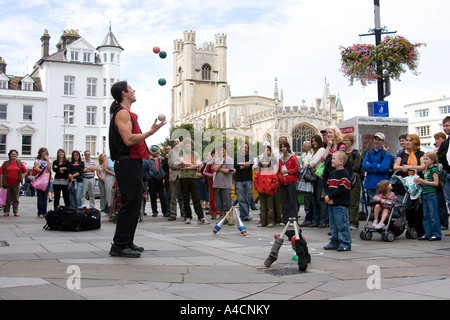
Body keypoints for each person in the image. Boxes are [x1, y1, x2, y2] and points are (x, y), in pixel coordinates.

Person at [108, 81, 166, 258]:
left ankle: (127, 242)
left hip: (133, 162)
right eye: (131, 88)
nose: (134, 90)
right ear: (124, 93)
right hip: (126, 163)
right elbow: (128, 140)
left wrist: (146, 148)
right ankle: (118, 245)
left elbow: (134, 140)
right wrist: (151, 132)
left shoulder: (127, 113)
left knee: (134, 204)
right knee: (129, 203)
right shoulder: (123, 113)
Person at [393, 134, 425, 237]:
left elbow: (422, 166)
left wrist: (410, 166)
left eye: (410, 140)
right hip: (404, 182)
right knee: (408, 205)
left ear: (415, 142)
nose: (407, 142)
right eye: (406, 140)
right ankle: (411, 227)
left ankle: (419, 229)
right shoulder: (402, 154)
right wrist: (402, 168)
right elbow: (395, 166)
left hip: (416, 182)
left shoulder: (420, 154)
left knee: (417, 206)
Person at [323, 151, 352, 252]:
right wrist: (327, 196)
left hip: (340, 203)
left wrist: (331, 196)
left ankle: (345, 242)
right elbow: (327, 185)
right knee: (333, 224)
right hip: (332, 203)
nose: (332, 160)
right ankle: (334, 241)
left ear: (341, 161)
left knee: (342, 224)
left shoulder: (344, 174)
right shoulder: (332, 173)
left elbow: (342, 188)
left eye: (334, 158)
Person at [179, 137, 209, 225]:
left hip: (193, 177)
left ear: (192, 145)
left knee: (196, 197)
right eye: (186, 143)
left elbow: (199, 164)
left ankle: (201, 217)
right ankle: (188, 216)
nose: (188, 145)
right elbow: (182, 162)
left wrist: (188, 167)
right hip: (183, 177)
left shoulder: (195, 153)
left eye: (189, 143)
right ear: (184, 145)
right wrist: (195, 165)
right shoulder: (181, 152)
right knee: (186, 198)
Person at [415, 151, 442, 241]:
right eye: (424, 159)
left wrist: (423, 181)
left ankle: (436, 233)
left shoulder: (434, 170)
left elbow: (436, 183)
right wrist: (420, 182)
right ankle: (428, 233)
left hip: (432, 194)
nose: (424, 161)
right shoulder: (426, 170)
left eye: (426, 159)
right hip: (425, 193)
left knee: (433, 215)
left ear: (433, 160)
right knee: (426, 215)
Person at [362, 132, 391, 202]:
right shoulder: (369, 153)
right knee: (372, 207)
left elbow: (383, 168)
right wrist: (377, 165)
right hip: (370, 184)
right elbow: (364, 166)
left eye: (379, 140)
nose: (376, 141)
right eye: (375, 139)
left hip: (381, 185)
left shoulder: (386, 154)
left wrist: (370, 166)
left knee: (381, 206)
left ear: (383, 141)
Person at [343, 134, 362, 230]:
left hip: (354, 179)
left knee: (354, 201)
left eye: (347, 140)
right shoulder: (342, 153)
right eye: (344, 140)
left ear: (351, 142)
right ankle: (346, 221)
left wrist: (346, 170)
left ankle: (354, 222)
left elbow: (357, 166)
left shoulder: (356, 153)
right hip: (344, 179)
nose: (346, 142)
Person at [277, 141, 299, 224]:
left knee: (292, 201)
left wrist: (288, 171)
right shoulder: (280, 159)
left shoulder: (293, 158)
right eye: (281, 147)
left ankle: (294, 219)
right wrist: (280, 177)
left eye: (284, 147)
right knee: (285, 201)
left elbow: (297, 169)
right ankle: (285, 219)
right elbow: (279, 170)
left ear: (288, 147)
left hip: (291, 181)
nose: (283, 148)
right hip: (283, 182)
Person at [0, 149, 27, 216]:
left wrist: (21, 177)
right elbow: (1, 173)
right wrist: (1, 182)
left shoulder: (19, 162)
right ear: (9, 155)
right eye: (12, 154)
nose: (14, 155)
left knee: (15, 198)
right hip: (6, 182)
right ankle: (6, 211)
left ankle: (15, 211)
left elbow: (25, 171)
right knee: (6, 198)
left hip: (16, 183)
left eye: (15, 154)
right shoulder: (5, 163)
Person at [254, 156, 278, 227]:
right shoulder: (259, 172)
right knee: (263, 208)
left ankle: (270, 221)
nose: (265, 163)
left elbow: (275, 182)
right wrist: (257, 188)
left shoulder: (271, 172)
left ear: (269, 163)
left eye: (266, 162)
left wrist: (271, 188)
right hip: (261, 192)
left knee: (270, 208)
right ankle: (263, 222)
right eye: (263, 162)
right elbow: (255, 181)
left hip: (269, 192)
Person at [213, 143, 235, 225]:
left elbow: (227, 171)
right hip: (218, 183)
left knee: (228, 201)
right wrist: (221, 162)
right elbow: (215, 169)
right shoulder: (217, 160)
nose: (221, 151)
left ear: (226, 150)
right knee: (220, 202)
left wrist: (219, 168)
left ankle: (231, 218)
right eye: (220, 150)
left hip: (226, 184)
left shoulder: (229, 160)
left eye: (223, 150)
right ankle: (223, 217)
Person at [308, 134, 327, 228]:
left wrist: (309, 165)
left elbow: (315, 161)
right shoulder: (312, 151)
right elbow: (306, 160)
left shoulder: (322, 150)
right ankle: (315, 219)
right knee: (314, 199)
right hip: (312, 176)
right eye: (312, 141)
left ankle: (323, 220)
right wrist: (308, 164)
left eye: (315, 141)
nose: (314, 143)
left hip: (319, 176)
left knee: (320, 198)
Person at [234, 142, 254, 221]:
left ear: (248, 149)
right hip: (239, 180)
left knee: (248, 198)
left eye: (246, 148)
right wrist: (246, 164)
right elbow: (235, 166)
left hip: (248, 180)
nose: (244, 149)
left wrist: (241, 165)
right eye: (243, 147)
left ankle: (246, 214)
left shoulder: (251, 157)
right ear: (240, 148)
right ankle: (244, 215)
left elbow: (250, 165)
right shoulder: (237, 157)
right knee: (241, 198)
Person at [437, 116, 450, 236]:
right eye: (444, 126)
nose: (445, 128)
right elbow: (440, 157)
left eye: (447, 126)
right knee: (448, 201)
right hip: (447, 173)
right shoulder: (445, 143)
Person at [147, 146, 167, 217]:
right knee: (153, 196)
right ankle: (154, 211)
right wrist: (150, 175)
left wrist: (163, 176)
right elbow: (147, 169)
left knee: (162, 195)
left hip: (160, 179)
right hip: (152, 180)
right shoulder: (148, 160)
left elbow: (165, 168)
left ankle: (165, 211)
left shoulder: (162, 159)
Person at [168, 138, 185, 221]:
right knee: (173, 197)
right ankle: (173, 214)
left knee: (184, 196)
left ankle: (185, 214)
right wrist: (180, 164)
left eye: (178, 141)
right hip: (174, 176)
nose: (176, 143)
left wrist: (180, 164)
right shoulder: (171, 153)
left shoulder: (185, 151)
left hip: (183, 176)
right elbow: (170, 164)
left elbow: (186, 163)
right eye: (175, 142)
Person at [33, 147, 52, 217]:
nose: (44, 153)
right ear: (40, 153)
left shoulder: (49, 160)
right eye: (43, 152)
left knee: (45, 197)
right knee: (40, 196)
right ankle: (40, 212)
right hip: (39, 180)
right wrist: (44, 170)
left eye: (45, 152)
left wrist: (47, 160)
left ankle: (44, 211)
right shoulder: (37, 160)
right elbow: (37, 168)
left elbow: (49, 169)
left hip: (46, 180)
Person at [299, 141, 313, 227]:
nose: (303, 148)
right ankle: (308, 217)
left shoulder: (311, 154)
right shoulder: (303, 155)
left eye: (304, 146)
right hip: (304, 178)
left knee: (310, 198)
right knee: (306, 198)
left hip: (310, 177)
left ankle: (310, 217)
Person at [203, 149, 218, 219]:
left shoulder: (221, 163)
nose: (216, 156)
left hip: (220, 183)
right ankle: (213, 213)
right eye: (215, 154)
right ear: (212, 155)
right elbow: (204, 172)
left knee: (220, 198)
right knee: (212, 199)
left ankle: (221, 213)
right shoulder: (209, 164)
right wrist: (211, 175)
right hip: (211, 183)